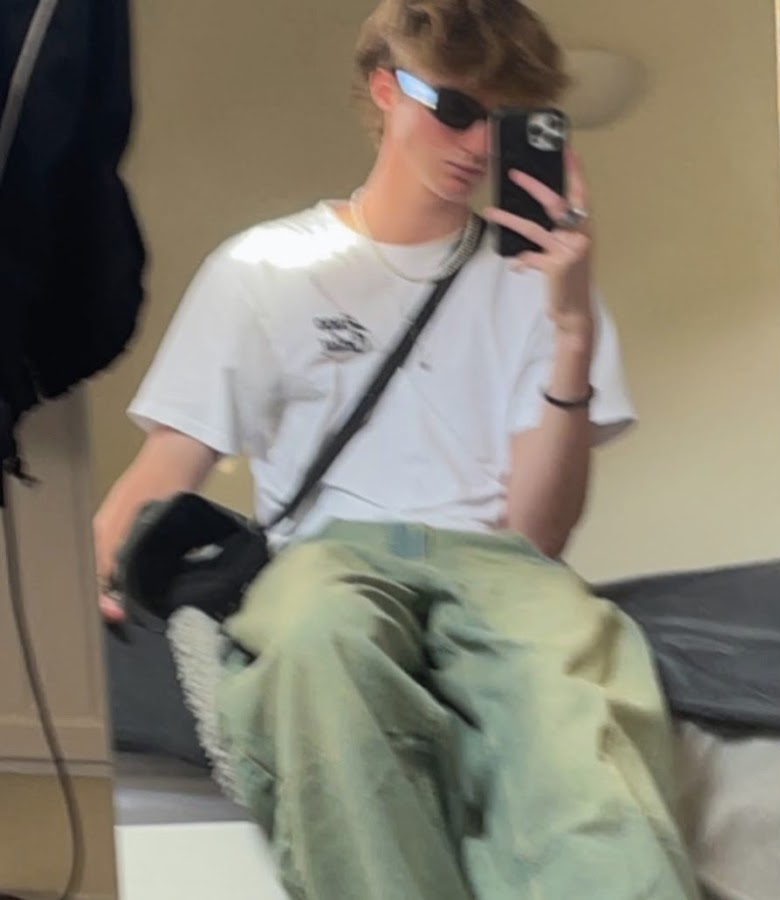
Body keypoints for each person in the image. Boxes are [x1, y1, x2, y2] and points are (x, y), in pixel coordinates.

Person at [94, 1, 699, 897]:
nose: (476, 142)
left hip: (497, 563)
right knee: (319, 648)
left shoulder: (541, 283)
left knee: (576, 704)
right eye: (455, 108)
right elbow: (168, 464)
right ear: (385, 89)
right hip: (327, 555)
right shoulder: (264, 268)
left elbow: (538, 536)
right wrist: (98, 567)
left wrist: (571, 328)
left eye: (504, 120)